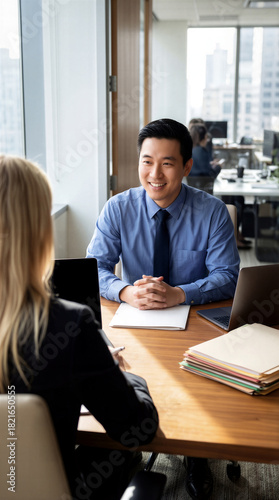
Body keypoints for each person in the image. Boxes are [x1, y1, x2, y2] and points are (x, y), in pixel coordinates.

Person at [87, 118, 240, 499]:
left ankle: (197, 454)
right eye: (146, 161)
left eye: (167, 163)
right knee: (120, 381)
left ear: (187, 166)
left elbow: (229, 276)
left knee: (197, 389)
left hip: (196, 327)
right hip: (132, 324)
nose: (154, 174)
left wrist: (180, 293)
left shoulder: (212, 212)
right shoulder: (117, 208)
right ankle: (127, 444)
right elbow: (96, 268)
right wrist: (123, 291)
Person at [0, 155, 158, 500]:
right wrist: (130, 377)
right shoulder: (66, 325)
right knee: (115, 451)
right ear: (39, 231)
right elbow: (137, 429)